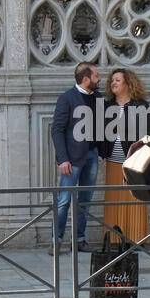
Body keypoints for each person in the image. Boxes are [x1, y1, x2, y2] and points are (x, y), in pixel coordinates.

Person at [49, 62, 103, 255]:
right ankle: (56, 241)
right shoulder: (67, 98)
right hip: (71, 159)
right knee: (64, 200)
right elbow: (57, 130)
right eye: (96, 76)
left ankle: (79, 240)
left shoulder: (98, 97)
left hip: (92, 155)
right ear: (86, 78)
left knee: (85, 199)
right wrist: (62, 159)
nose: (100, 79)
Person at [103, 68, 150, 244]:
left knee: (134, 199)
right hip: (113, 162)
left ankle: (136, 238)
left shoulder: (140, 105)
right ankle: (114, 239)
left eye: (117, 80)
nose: (113, 83)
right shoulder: (107, 106)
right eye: (112, 80)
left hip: (133, 162)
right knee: (114, 200)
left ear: (128, 83)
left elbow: (147, 135)